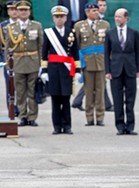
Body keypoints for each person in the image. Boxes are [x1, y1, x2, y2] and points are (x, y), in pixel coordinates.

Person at [40, 5, 81, 135]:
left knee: (66, 99)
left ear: (65, 17)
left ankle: (67, 126)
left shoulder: (71, 32)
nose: (59, 19)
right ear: (53, 18)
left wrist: (78, 70)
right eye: (57, 17)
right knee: (55, 99)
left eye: (61, 16)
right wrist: (44, 71)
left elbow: (75, 53)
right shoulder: (49, 33)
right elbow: (44, 53)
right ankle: (57, 126)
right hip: (53, 70)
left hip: (67, 70)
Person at [72, 0, 114, 112]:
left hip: (101, 60)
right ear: (87, 12)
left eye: (97, 10)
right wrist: (78, 62)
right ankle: (89, 113)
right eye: (94, 10)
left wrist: (109, 61)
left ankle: (101, 111)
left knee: (100, 87)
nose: (97, 12)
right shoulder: (79, 26)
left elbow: (108, 44)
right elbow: (77, 45)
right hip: (86, 60)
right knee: (89, 87)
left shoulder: (104, 24)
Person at [6, 0, 43, 127]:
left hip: (33, 62)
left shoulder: (36, 26)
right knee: (20, 92)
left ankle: (32, 116)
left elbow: (40, 46)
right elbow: (7, 47)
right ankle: (22, 116)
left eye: (25, 10)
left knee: (32, 91)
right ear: (17, 11)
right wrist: (8, 65)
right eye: (21, 10)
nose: (23, 12)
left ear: (29, 12)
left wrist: (41, 64)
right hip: (18, 63)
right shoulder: (11, 28)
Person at [104, 8, 139, 135]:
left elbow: (138, 51)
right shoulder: (110, 33)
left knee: (130, 99)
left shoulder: (134, 33)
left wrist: (138, 69)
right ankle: (120, 125)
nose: (117, 19)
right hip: (115, 70)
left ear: (126, 18)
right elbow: (106, 53)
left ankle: (130, 126)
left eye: (119, 17)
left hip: (130, 69)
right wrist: (107, 71)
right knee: (117, 99)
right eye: (115, 17)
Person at [1, 0, 18, 114]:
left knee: (23, 86)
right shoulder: (2, 26)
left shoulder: (24, 25)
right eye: (12, 9)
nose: (14, 12)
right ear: (8, 11)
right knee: (9, 86)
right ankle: (11, 109)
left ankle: (23, 110)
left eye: (16, 9)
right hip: (8, 58)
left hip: (22, 58)